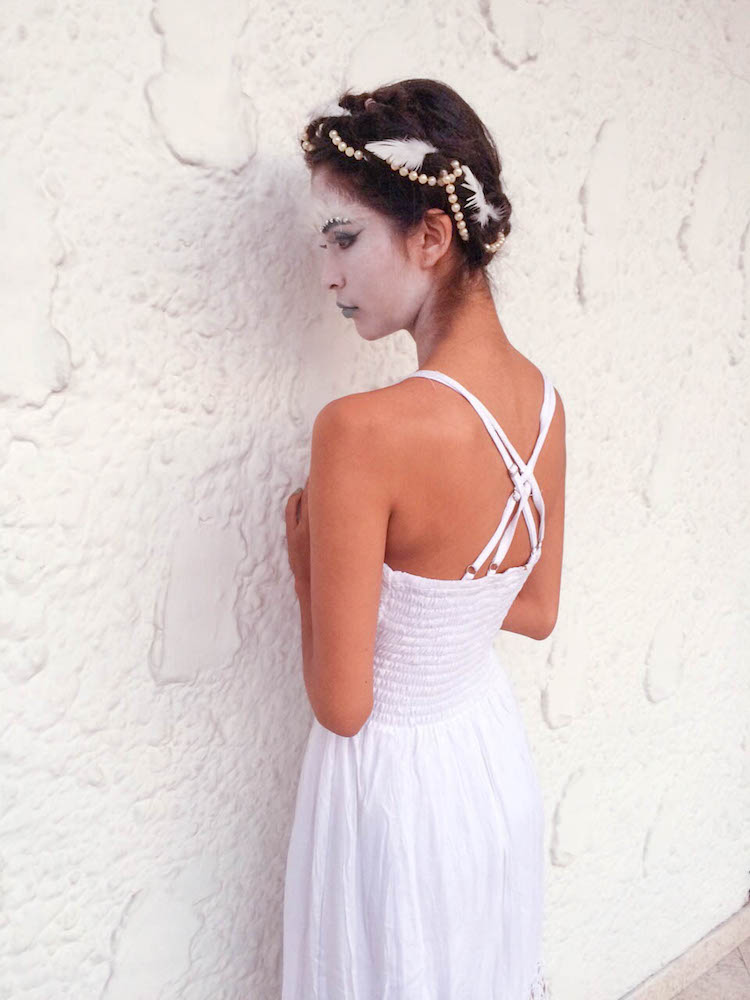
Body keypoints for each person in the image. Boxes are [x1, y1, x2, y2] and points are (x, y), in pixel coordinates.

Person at [282, 78, 564, 1000]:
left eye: (344, 238)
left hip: (393, 799)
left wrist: (306, 568)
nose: (328, 275)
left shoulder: (361, 432)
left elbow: (344, 707)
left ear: (432, 236)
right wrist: (439, 627)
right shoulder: (545, 405)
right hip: (487, 766)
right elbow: (536, 607)